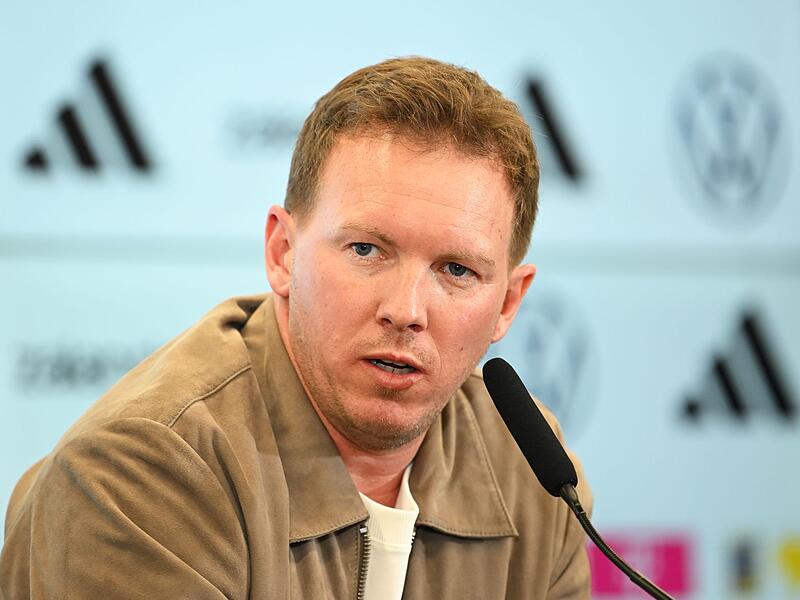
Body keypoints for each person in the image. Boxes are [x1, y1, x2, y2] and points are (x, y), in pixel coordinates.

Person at [0, 56, 591, 599]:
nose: (407, 309)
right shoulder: (139, 475)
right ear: (282, 252)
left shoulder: (534, 476)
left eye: (457, 270)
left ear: (508, 302)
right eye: (366, 250)